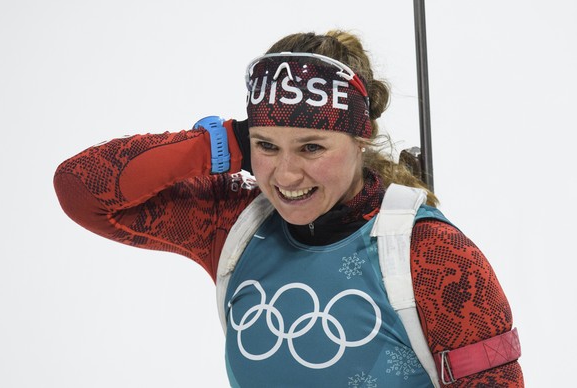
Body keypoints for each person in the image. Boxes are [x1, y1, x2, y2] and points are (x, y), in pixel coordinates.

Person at [54, 30, 523, 387]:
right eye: (267, 147)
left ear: (363, 137)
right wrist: (225, 142)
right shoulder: (233, 224)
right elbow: (82, 190)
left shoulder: (433, 254)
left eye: (312, 147)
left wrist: (264, 134)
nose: (285, 176)